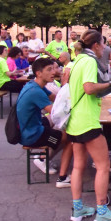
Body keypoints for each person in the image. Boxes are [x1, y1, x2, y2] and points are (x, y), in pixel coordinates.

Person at [66, 30, 111, 221]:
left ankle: (78, 208)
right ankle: (102, 212)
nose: (106, 48)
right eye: (104, 44)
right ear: (97, 45)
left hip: (75, 121)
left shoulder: (77, 61)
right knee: (103, 165)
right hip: (87, 120)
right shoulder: (90, 61)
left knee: (78, 166)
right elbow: (89, 88)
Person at [17, 57, 74, 187]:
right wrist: (65, 85)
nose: (53, 72)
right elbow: (57, 113)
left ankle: (45, 157)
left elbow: (57, 98)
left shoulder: (36, 84)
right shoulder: (35, 91)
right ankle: (62, 177)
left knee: (53, 123)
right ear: (38, 73)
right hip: (32, 134)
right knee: (70, 137)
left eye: (54, 68)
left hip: (30, 125)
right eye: (49, 70)